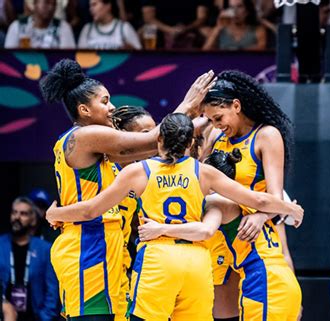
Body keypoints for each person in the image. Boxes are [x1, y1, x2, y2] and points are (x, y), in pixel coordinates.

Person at [45, 113, 304, 321]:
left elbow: (91, 209)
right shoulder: (205, 172)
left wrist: (56, 212)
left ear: (158, 142)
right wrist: (289, 208)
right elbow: (257, 199)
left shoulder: (138, 171)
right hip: (197, 261)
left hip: (158, 257)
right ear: (191, 144)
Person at [39, 58, 214, 320]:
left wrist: (209, 120)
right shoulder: (84, 136)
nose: (112, 108)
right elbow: (152, 138)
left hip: (105, 245)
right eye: (105, 101)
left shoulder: (100, 150)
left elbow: (157, 146)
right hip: (88, 246)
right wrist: (188, 105)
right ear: (85, 109)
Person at [138, 148, 303, 321]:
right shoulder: (255, 199)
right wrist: (291, 209)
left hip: (263, 281)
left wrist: (161, 229)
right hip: (286, 280)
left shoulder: (216, 202)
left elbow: (205, 230)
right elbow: (278, 203)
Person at [194, 70, 297, 320]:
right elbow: (197, 182)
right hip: (218, 234)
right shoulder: (215, 135)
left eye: (219, 117)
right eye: (211, 120)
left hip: (249, 231)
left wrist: (262, 217)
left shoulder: (266, 136)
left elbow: (275, 197)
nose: (218, 125)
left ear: (236, 105)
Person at [110, 105, 156, 321]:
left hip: (122, 265)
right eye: (147, 135)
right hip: (96, 261)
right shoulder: (103, 167)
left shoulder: (144, 173)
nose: (155, 140)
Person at [0, 197, 59, 321]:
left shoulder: (45, 249)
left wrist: (45, 317)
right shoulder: (1, 244)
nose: (17, 217)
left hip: (36, 316)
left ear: (32, 220)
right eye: (14, 212)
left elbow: (52, 290)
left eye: (23, 214)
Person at [4, 0, 75, 49]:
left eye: (54, 4)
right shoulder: (17, 26)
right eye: (46, 2)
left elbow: (68, 59)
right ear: (35, 3)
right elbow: (10, 57)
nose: (51, 7)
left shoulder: (63, 27)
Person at [202, 0, 267, 50]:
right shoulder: (219, 30)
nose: (235, 11)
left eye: (239, 6)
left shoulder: (258, 30)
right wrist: (218, 28)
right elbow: (205, 52)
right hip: (224, 66)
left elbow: (261, 50)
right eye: (231, 7)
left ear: (247, 11)